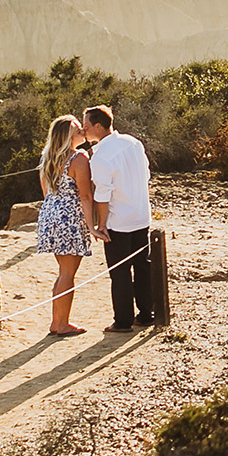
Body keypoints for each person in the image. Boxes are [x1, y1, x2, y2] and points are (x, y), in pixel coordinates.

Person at [82, 104, 155, 331]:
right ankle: (146, 313)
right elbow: (146, 174)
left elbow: (102, 195)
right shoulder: (133, 142)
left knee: (120, 271)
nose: (83, 130)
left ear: (97, 126)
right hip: (141, 215)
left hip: (119, 221)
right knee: (143, 266)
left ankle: (122, 320)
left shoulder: (101, 156)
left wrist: (101, 224)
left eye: (85, 126)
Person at [33, 115, 95, 337]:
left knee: (63, 272)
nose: (83, 133)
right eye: (79, 131)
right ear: (69, 137)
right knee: (68, 273)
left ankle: (56, 321)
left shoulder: (47, 159)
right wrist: (92, 226)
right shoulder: (78, 158)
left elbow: (46, 192)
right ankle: (62, 324)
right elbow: (86, 196)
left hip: (50, 214)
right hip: (69, 217)